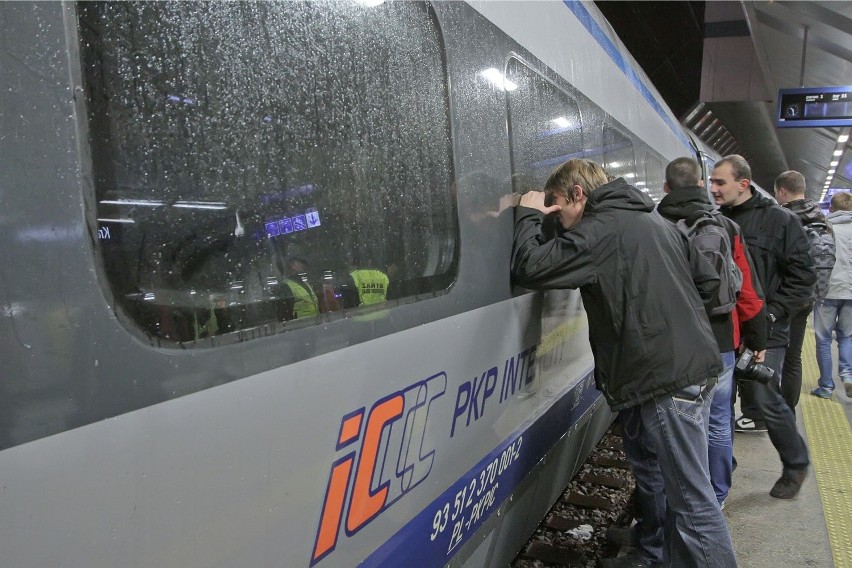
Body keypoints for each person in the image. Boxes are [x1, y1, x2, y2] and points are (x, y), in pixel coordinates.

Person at [512, 158, 736, 568]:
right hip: (692, 368)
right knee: (681, 493)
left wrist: (527, 216)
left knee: (692, 503)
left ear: (579, 194)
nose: (557, 217)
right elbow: (706, 281)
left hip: (668, 379)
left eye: (557, 205)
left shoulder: (600, 231)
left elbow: (530, 267)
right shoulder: (655, 221)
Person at [657, 157, 767, 509]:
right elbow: (746, 290)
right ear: (702, 182)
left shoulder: (654, 225)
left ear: (665, 188)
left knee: (676, 423)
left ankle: (678, 497)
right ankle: (717, 494)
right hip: (720, 339)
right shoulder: (725, 227)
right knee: (718, 420)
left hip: (673, 341)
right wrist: (758, 339)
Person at [711, 154, 813, 499]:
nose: (713, 188)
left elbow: (803, 279)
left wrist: (771, 315)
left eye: (719, 182)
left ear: (742, 184)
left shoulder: (781, 222)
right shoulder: (715, 221)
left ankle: (796, 463)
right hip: (727, 331)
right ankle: (723, 465)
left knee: (765, 399)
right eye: (711, 182)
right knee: (720, 403)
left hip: (766, 332)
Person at [774, 170, 835, 408]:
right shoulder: (822, 218)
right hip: (808, 299)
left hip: (783, 297)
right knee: (794, 358)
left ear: (782, 191)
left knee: (772, 354)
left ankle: (765, 411)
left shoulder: (782, 217)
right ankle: (788, 409)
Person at [813, 191, 852, 399]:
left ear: (832, 209)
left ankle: (826, 386)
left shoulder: (826, 228)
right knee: (847, 337)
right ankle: (848, 375)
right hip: (851, 292)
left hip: (827, 290)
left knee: (823, 339)